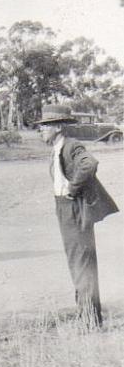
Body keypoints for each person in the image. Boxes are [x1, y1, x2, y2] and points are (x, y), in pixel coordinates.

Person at [37, 104, 119, 327]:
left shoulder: (71, 146)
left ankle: (91, 319)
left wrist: (73, 189)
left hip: (74, 209)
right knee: (77, 261)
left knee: (82, 262)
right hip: (64, 208)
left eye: (46, 125)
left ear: (59, 127)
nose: (41, 130)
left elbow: (89, 164)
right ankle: (86, 313)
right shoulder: (58, 148)